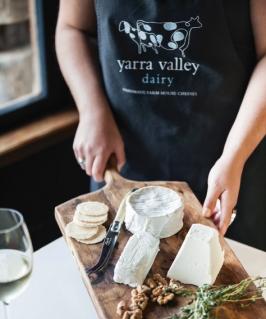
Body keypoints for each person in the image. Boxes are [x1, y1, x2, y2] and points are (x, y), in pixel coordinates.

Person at [55, 0, 266, 251]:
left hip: (230, 163)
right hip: (123, 160)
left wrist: (235, 155)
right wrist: (92, 111)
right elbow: (72, 28)